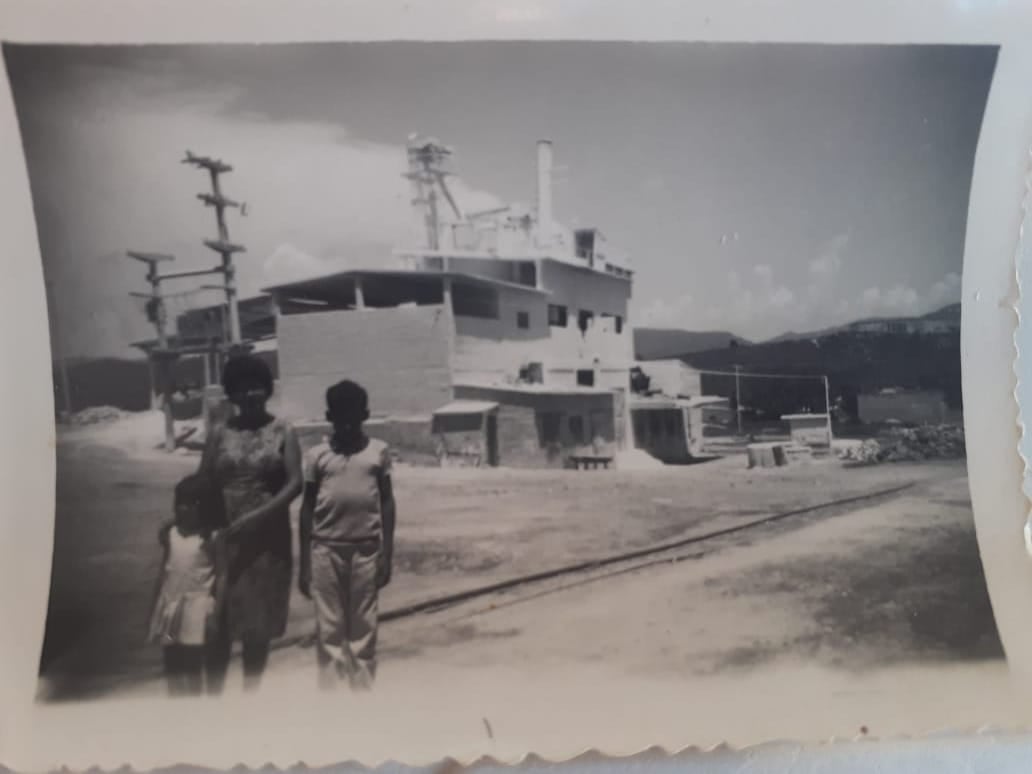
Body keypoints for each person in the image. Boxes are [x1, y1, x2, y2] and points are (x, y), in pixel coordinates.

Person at [200, 354, 303, 691]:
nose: (250, 394)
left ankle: (250, 699)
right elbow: (203, 482)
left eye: (257, 387)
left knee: (256, 628)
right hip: (224, 537)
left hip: (267, 542)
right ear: (232, 392)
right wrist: (185, 523)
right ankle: (212, 702)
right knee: (217, 624)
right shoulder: (218, 432)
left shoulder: (283, 431)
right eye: (242, 388)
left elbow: (295, 483)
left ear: (267, 389)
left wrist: (260, 515)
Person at [299, 379, 396, 691]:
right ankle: (330, 701)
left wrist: (387, 554)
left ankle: (362, 697)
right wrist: (304, 563)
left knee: (364, 628)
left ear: (365, 415)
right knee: (329, 629)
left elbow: (387, 502)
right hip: (325, 550)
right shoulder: (317, 456)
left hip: (366, 550)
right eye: (340, 418)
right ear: (329, 417)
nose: (347, 425)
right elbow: (307, 507)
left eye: (353, 418)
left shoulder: (378, 452)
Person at [150, 474, 228, 696]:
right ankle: (176, 708)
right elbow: (164, 571)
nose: (183, 509)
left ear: (207, 507)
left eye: (191, 504)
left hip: (197, 610)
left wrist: (216, 615)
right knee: (171, 660)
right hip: (170, 607)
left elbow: (222, 575)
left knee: (193, 663)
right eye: (180, 503)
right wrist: (155, 609)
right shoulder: (171, 535)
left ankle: (193, 710)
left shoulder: (213, 538)